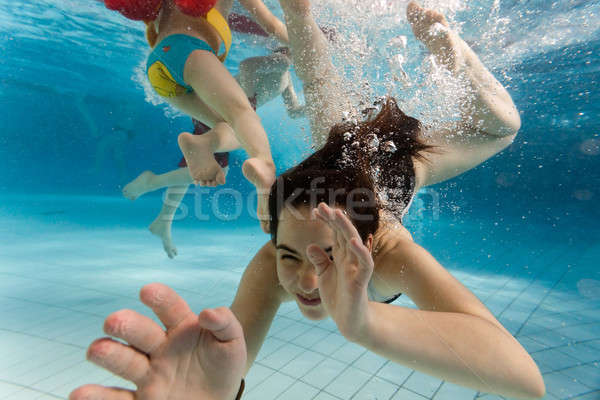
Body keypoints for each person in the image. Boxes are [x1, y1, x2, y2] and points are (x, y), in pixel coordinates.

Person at [70, 1, 546, 399]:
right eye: (290, 253)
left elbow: (526, 380)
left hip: (397, 165)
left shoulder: (389, 250)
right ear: (272, 234)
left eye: (331, 255)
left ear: (368, 240)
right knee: (326, 110)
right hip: (344, 158)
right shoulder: (274, 258)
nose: (304, 279)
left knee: (502, 129)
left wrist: (363, 323)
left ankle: (453, 53)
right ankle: (297, 9)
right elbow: (225, 365)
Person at [104, 0, 291, 232]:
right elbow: (272, 24)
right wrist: (299, 44)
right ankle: (264, 164)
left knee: (230, 127)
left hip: (158, 67)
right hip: (190, 50)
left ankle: (206, 143)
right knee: (243, 114)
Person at [122, 49, 305, 258]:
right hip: (226, 107)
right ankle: (152, 183)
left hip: (222, 108)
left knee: (198, 163)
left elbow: (294, 111)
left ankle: (164, 219)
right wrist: (245, 106)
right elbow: (247, 66)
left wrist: (317, 107)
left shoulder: (286, 77)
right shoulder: (282, 61)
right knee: (216, 167)